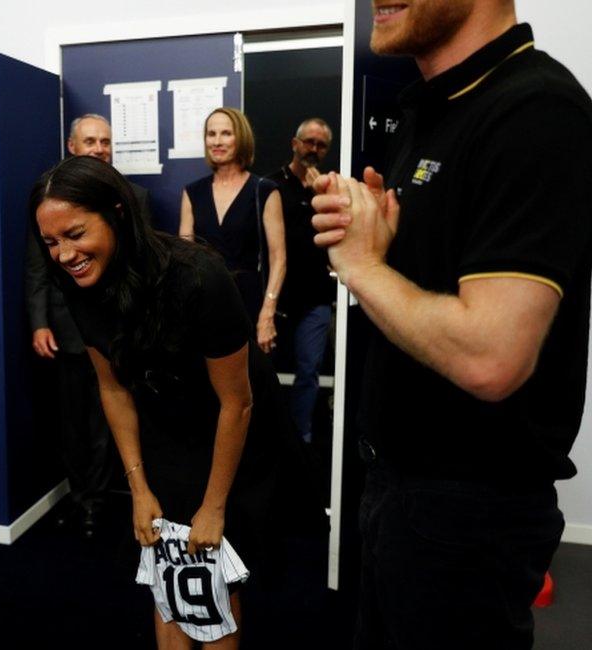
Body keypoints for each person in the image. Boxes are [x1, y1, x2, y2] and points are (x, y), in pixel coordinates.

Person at [311, 1, 592, 647]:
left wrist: (361, 265)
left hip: (469, 512)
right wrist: (382, 247)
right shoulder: (430, 110)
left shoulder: (535, 110)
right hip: (397, 488)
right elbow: (427, 286)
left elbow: (491, 360)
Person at [32, 155, 295, 648]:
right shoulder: (79, 284)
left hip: (231, 427)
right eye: (51, 242)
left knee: (215, 573)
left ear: (115, 212)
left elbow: (236, 404)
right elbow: (112, 388)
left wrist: (213, 506)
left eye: (74, 234)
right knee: (167, 567)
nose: (64, 254)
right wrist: (138, 486)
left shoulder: (196, 276)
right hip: (165, 428)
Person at [26, 113, 153, 536]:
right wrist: (39, 322)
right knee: (72, 424)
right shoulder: (47, 202)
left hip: (116, 333)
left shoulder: (133, 197)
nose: (100, 148)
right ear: (72, 147)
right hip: (67, 333)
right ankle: (80, 495)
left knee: (107, 420)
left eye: (105, 141)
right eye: (91, 141)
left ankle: (96, 502)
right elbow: (39, 268)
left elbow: (142, 268)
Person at [180, 107, 285, 353]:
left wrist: (267, 313)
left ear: (241, 137)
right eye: (211, 133)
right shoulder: (192, 193)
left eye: (226, 133)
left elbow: (279, 257)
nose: (216, 141)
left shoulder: (264, 190)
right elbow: (184, 256)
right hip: (205, 302)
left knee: (251, 383)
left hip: (249, 303)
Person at [266, 118, 337, 443]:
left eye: (321, 145)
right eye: (309, 141)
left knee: (309, 370)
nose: (314, 149)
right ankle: (270, 438)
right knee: (264, 371)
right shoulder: (271, 185)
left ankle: (301, 437)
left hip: (316, 297)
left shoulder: (329, 189)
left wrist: (320, 192)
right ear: (295, 144)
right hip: (278, 297)